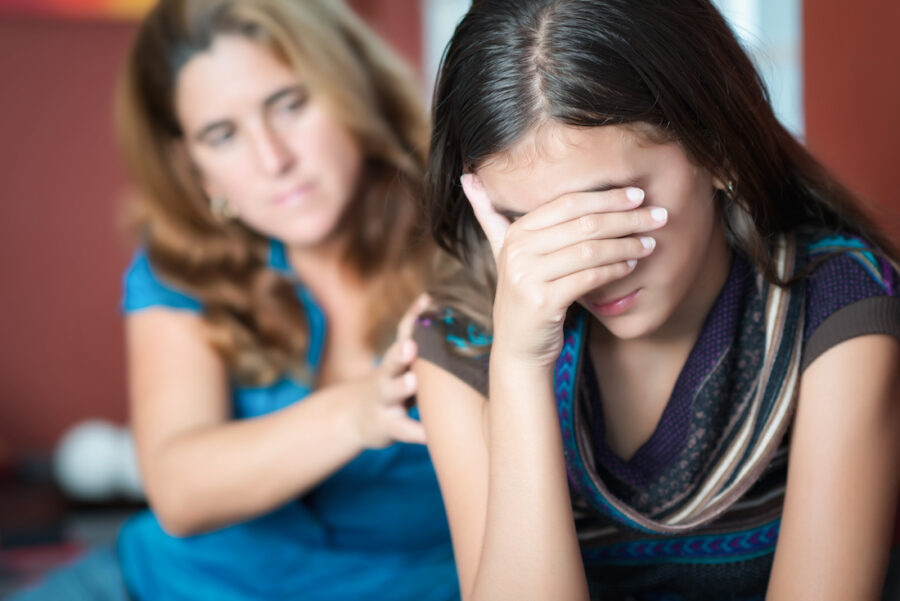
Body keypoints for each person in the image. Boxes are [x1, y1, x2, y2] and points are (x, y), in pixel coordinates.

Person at [413, 0, 900, 599]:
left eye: (611, 206)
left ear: (718, 149)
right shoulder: (464, 338)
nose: (584, 269)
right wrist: (517, 366)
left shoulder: (840, 308)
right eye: (530, 228)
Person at [13, 0, 458, 600]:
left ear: (353, 88)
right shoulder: (178, 269)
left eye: (291, 104)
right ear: (195, 169)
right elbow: (178, 492)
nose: (274, 160)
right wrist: (359, 410)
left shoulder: (465, 234)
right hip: (160, 585)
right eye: (222, 136)